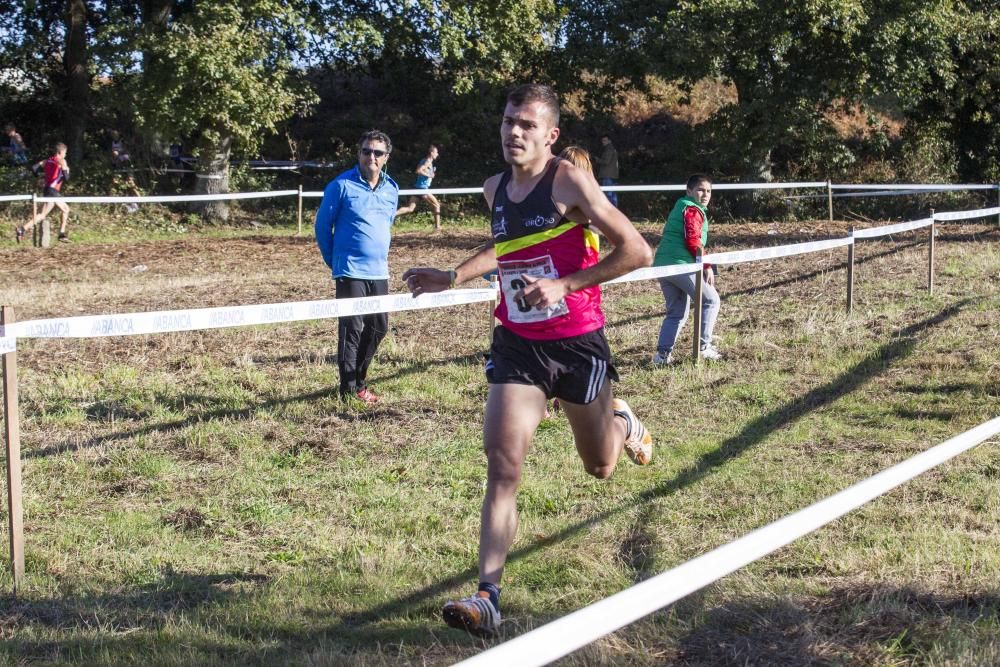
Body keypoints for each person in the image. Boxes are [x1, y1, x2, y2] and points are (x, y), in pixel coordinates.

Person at [402, 84, 654, 637]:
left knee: (601, 466)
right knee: (503, 462)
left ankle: (622, 422)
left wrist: (566, 283)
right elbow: (506, 246)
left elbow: (637, 250)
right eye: (509, 121)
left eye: (527, 125)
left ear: (551, 135)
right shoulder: (494, 188)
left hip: (577, 342)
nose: (514, 133)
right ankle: (487, 596)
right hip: (518, 342)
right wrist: (452, 276)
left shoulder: (568, 180)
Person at [315, 130, 400, 405]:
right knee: (351, 328)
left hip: (379, 271)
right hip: (349, 270)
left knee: (379, 326)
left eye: (377, 153)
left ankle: (359, 380)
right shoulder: (340, 186)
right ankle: (349, 388)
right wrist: (335, 261)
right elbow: (321, 227)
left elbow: (385, 224)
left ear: (386, 158)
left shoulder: (392, 189)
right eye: (366, 151)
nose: (371, 157)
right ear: (359, 154)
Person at [651, 174, 721, 365]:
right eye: (700, 190)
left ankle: (662, 356)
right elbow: (693, 240)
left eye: (708, 191)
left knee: (677, 312)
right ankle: (704, 347)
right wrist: (706, 266)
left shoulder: (681, 206)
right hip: (679, 263)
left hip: (663, 263)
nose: (705, 194)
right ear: (689, 191)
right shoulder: (691, 209)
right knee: (711, 300)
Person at [17, 142, 71, 243]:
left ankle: (22, 229)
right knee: (66, 209)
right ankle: (61, 234)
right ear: (61, 152)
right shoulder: (62, 161)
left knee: (42, 215)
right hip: (53, 191)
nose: (66, 155)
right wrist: (67, 170)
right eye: (65, 152)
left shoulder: (47, 161)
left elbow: (34, 168)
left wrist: (39, 178)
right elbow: (67, 178)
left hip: (47, 189)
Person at [395, 145, 442, 230]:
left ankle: (391, 214)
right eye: (436, 152)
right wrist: (430, 175)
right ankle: (437, 228)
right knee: (437, 205)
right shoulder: (427, 161)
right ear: (431, 153)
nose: (437, 154)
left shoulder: (426, 161)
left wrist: (429, 175)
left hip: (417, 188)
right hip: (422, 189)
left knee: (410, 209)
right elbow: (418, 171)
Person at [593, 135, 619, 207]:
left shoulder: (609, 149)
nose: (603, 142)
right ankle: (614, 209)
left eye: (605, 140)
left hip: (607, 175)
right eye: (602, 140)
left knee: (609, 193)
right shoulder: (611, 148)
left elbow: (606, 161)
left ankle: (611, 209)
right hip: (610, 174)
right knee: (611, 193)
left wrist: (597, 160)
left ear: (609, 141)